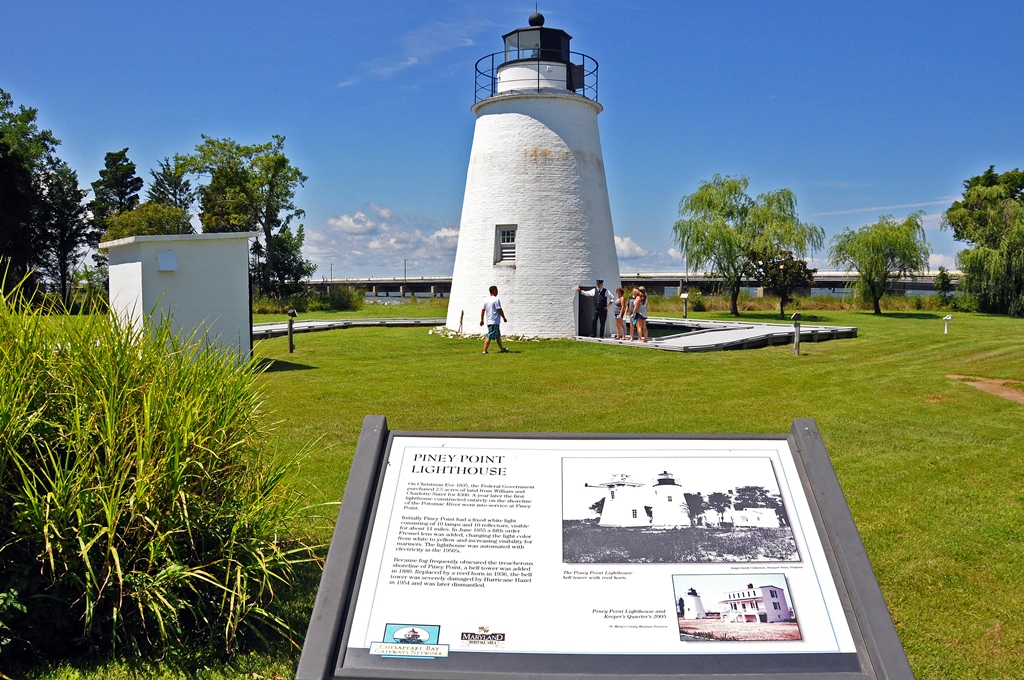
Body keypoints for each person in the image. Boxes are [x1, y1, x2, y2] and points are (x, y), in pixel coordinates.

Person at [480, 285, 509, 354]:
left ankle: (502, 348)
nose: (497, 291)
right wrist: (504, 317)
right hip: (494, 321)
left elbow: (483, 310)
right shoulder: (496, 299)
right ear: (494, 291)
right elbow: (499, 309)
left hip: (489, 320)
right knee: (490, 335)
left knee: (498, 335)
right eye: (497, 290)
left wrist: (482, 319)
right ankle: (484, 350)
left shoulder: (486, 300)